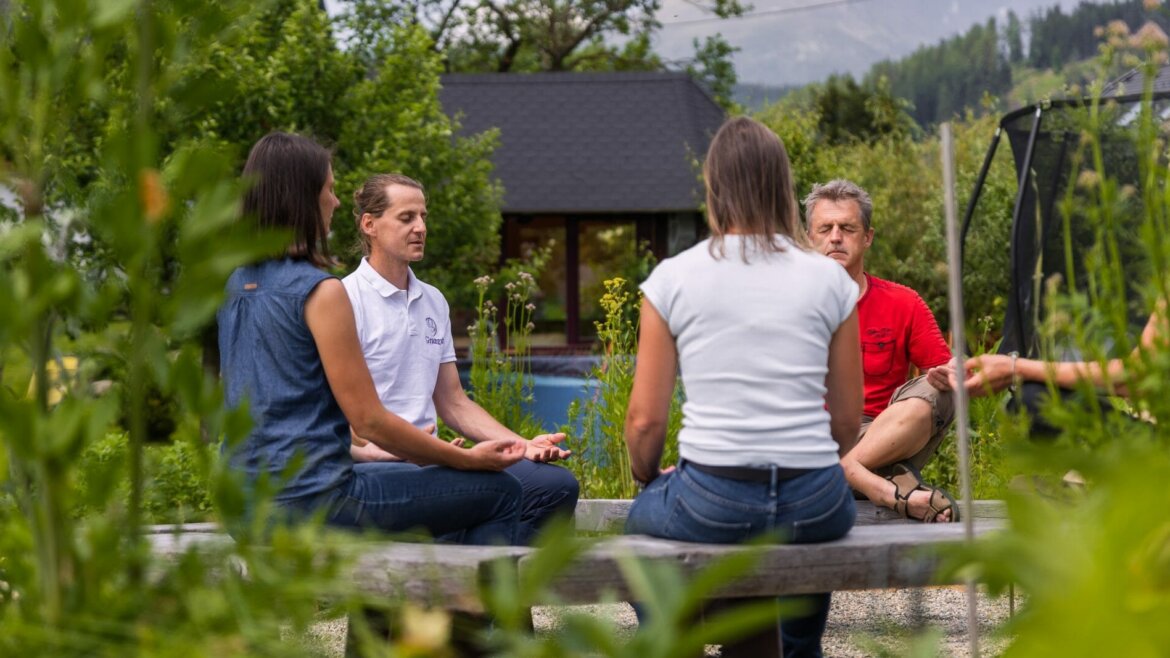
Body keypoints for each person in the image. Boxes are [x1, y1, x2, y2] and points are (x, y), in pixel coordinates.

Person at [623, 116, 863, 658]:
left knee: (644, 516)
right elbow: (848, 419)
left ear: (714, 187)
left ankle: (673, 639)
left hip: (714, 496)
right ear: (781, 185)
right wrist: (814, 466)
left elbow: (644, 423)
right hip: (818, 500)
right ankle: (791, 646)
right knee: (792, 535)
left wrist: (648, 475)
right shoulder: (830, 279)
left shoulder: (673, 278)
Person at [218, 132, 526, 544]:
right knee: (501, 493)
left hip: (243, 503)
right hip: (315, 500)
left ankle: (389, 607)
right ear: (303, 197)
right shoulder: (322, 291)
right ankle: (459, 608)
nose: (336, 201)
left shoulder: (234, 286)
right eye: (328, 189)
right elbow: (370, 420)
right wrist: (466, 459)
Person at [341, 173, 579, 544]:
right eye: (407, 218)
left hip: (435, 461)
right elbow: (339, 410)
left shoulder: (433, 300)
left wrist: (521, 446)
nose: (420, 227)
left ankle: (474, 590)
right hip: (379, 468)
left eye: (423, 216)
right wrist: (383, 453)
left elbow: (453, 402)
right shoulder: (342, 301)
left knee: (556, 486)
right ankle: (466, 592)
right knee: (492, 493)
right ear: (369, 224)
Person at [804, 179, 958, 523]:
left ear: (867, 237)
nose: (835, 237)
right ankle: (889, 486)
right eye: (825, 228)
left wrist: (953, 372)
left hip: (882, 434)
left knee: (942, 389)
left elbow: (953, 376)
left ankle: (840, 474)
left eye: (847, 228)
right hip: (809, 438)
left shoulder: (904, 302)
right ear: (808, 239)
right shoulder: (785, 305)